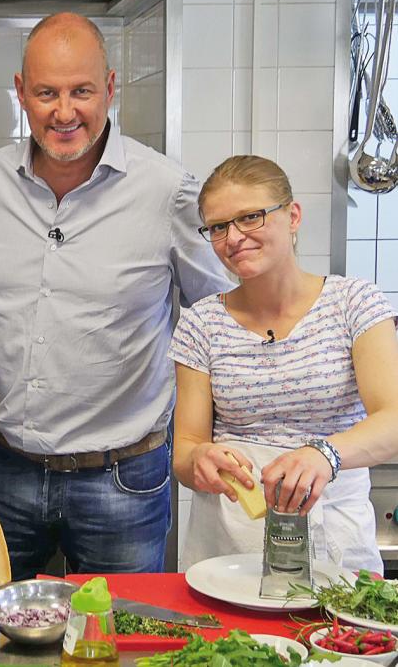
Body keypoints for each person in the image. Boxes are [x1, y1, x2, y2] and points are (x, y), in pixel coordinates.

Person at [0, 12, 231, 580]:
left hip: (123, 483)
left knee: (121, 646)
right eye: (46, 93)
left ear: (109, 88)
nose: (64, 113)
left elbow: (220, 317)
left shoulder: (168, 191)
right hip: (3, 474)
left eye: (81, 91)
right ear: (21, 94)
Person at [170, 155, 398, 572]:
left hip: (334, 524)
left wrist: (323, 454)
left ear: (292, 216)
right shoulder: (201, 323)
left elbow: (393, 420)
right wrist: (199, 459)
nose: (233, 238)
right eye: (218, 227)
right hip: (231, 534)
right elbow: (185, 449)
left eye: (251, 217)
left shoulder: (354, 303)